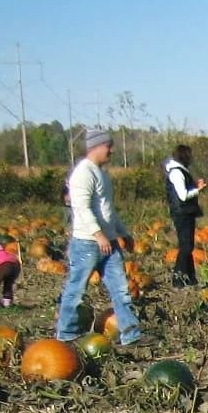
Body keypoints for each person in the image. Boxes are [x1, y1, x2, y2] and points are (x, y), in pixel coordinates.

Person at [54, 126, 144, 348]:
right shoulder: (83, 173)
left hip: (109, 242)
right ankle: (66, 334)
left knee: (121, 289)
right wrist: (98, 235)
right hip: (87, 243)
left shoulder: (102, 173)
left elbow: (108, 211)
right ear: (96, 146)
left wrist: (123, 233)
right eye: (108, 146)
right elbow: (81, 208)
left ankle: (131, 335)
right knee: (76, 289)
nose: (111, 150)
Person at [163, 144, 206, 288]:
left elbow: (185, 189)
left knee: (188, 246)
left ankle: (190, 278)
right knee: (186, 247)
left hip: (186, 212)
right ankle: (178, 278)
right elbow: (183, 195)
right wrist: (198, 190)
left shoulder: (180, 171)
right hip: (182, 213)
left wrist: (194, 185)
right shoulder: (176, 172)